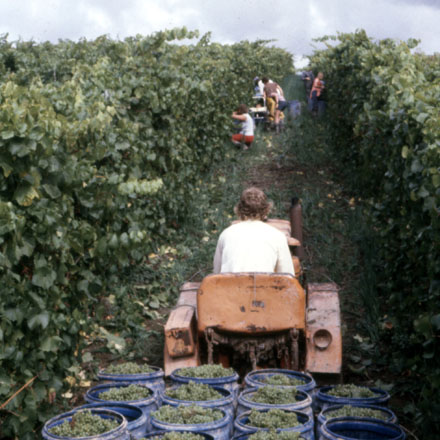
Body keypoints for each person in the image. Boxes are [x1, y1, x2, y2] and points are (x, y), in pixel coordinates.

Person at [213, 187, 295, 275]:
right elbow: (287, 275)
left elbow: (217, 272)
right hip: (263, 287)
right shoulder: (278, 236)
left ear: (238, 209)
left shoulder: (226, 234)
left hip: (229, 287)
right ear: (267, 210)